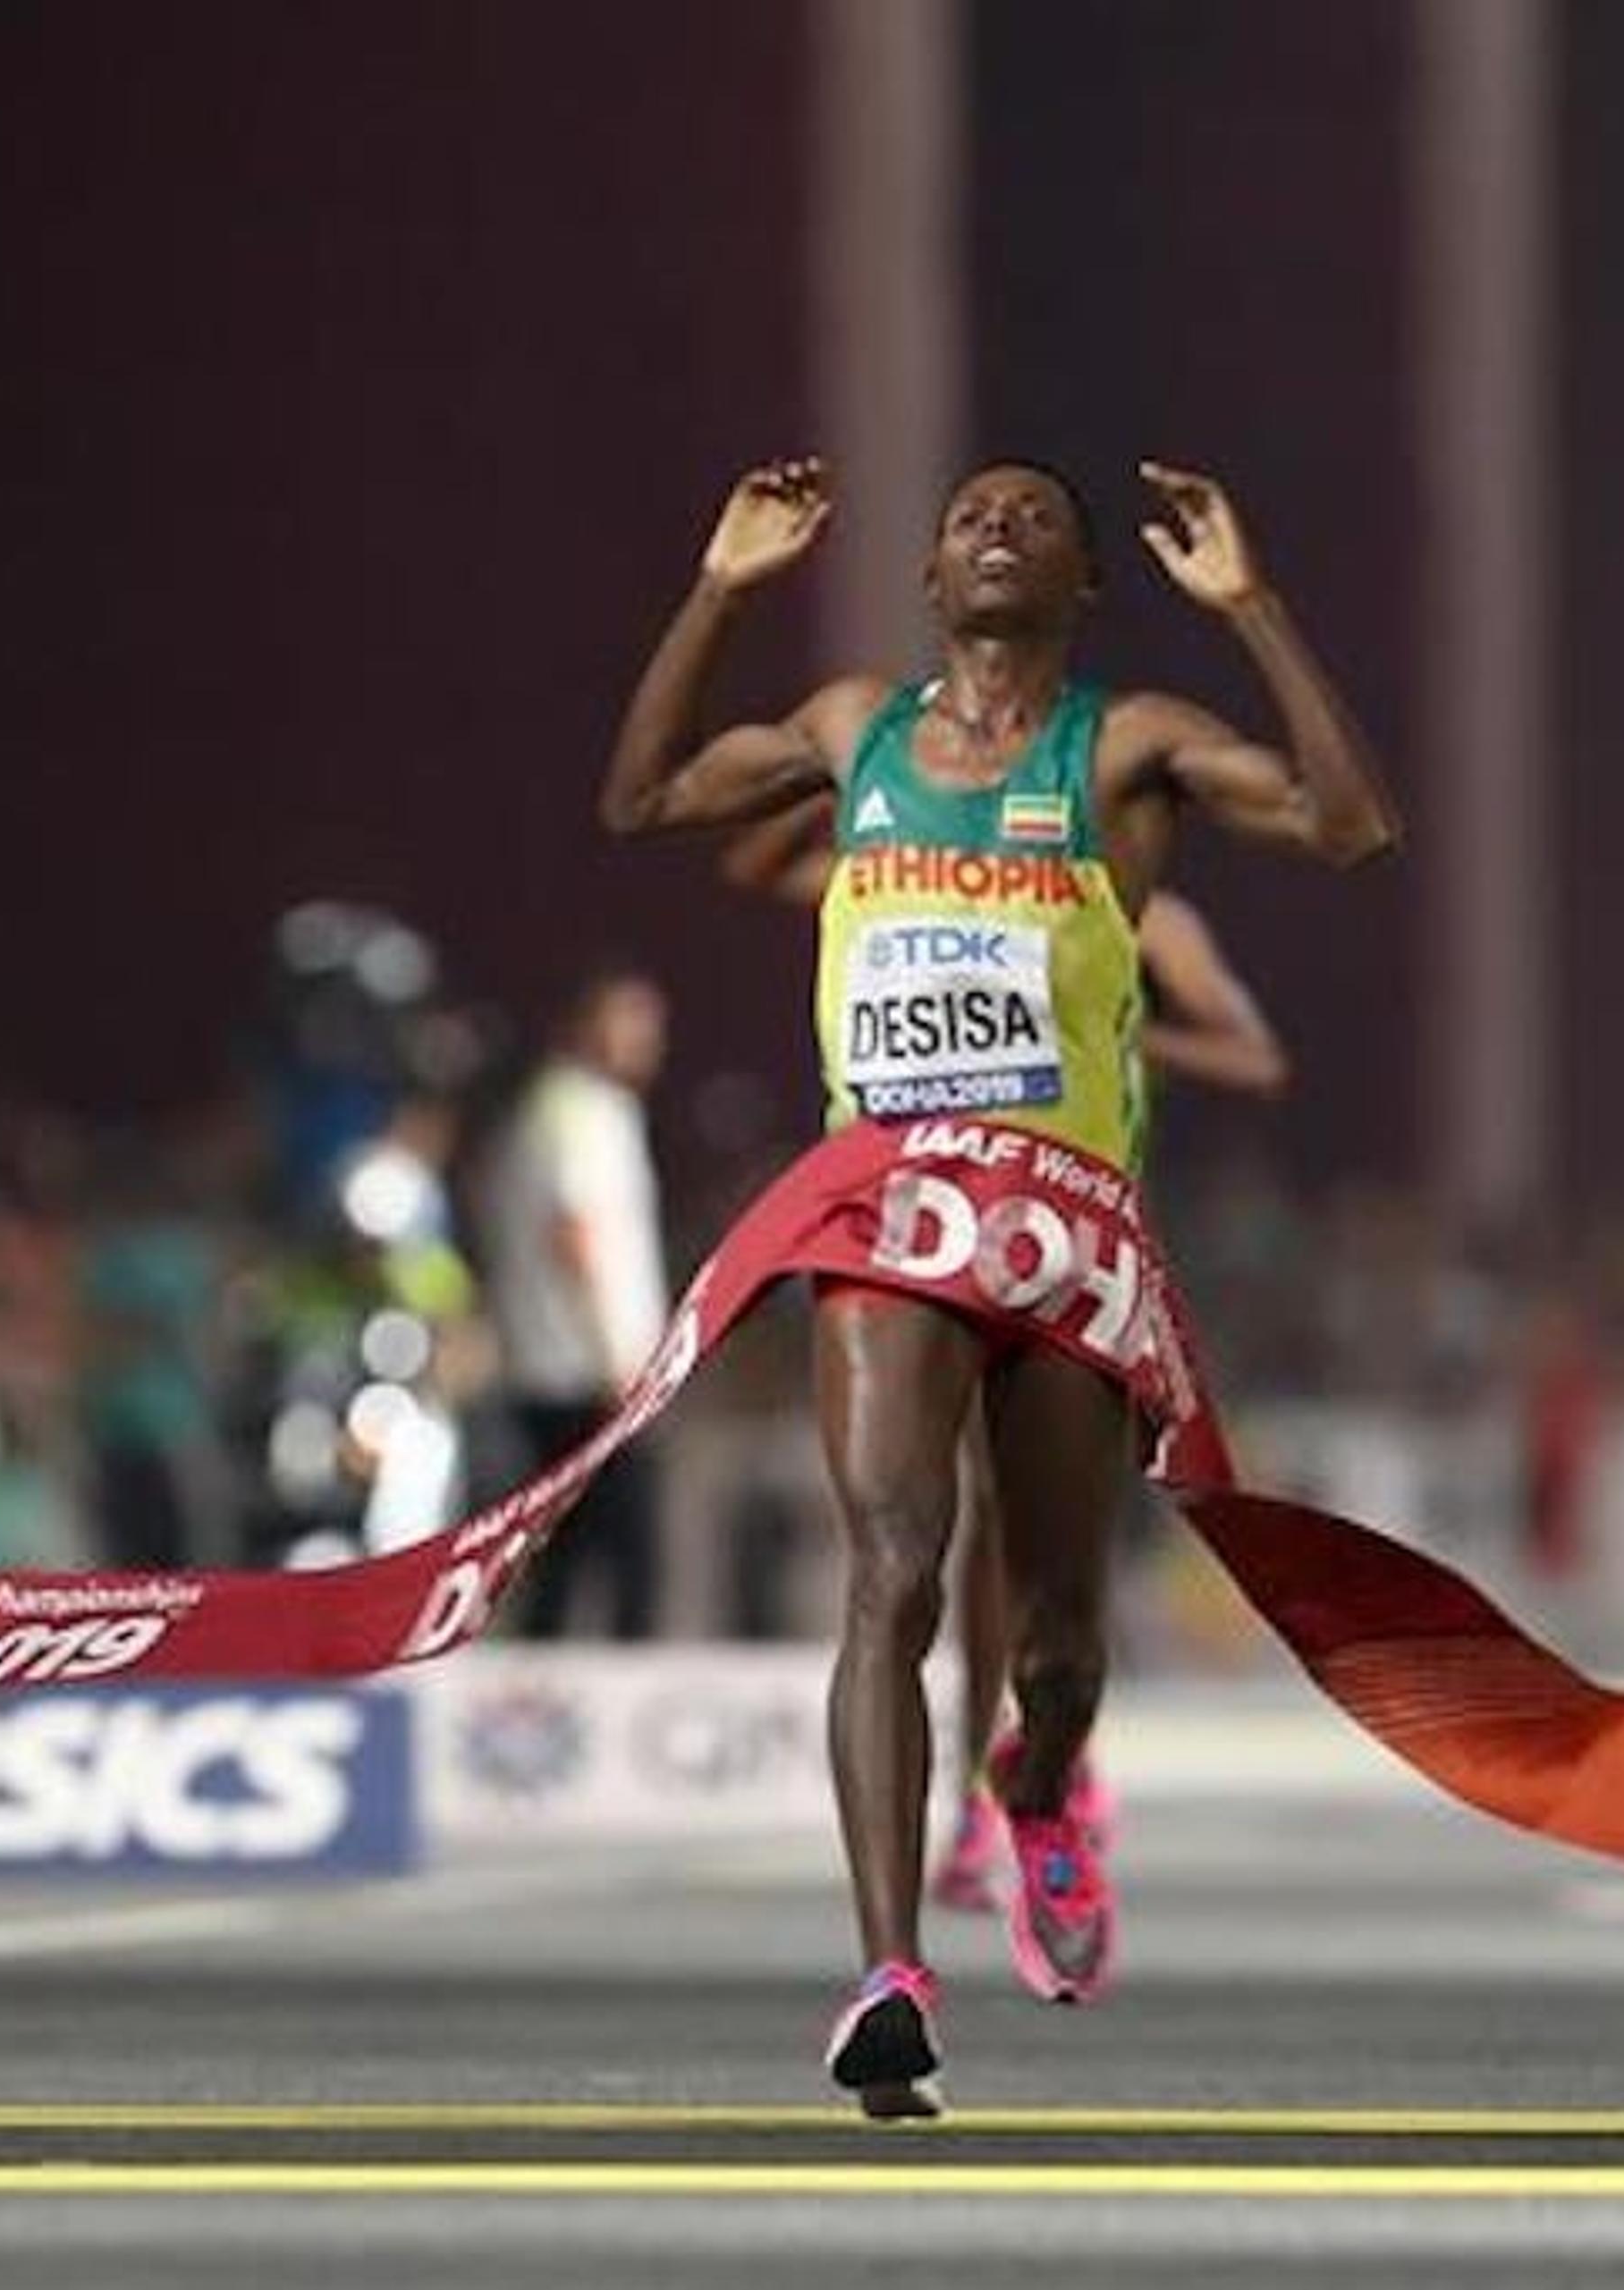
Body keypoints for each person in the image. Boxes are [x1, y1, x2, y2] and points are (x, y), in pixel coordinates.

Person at [600, 453, 1396, 2115]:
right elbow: (646, 799)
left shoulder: (1127, 748)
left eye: (1033, 516)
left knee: (1057, 1635)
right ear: (926, 580)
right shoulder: (849, 733)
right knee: (894, 1562)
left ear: (1085, 584)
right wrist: (720, 584)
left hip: (1064, 1234)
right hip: (889, 1215)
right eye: (968, 514)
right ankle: (889, 1970)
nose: (994, 527)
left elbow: (1349, 821)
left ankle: (1040, 1790)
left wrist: (1253, 608)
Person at [715, 810, 1289, 1909]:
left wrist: (1114, 1026)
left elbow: (1256, 1056)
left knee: (1046, 1549)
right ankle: (988, 1793)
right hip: (940, 1241)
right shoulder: (930, 881)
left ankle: (1041, 1760)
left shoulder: (1149, 917)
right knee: (961, 1528)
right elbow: (750, 855)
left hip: (1076, 1249)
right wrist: (851, 778)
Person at [479, 969, 674, 1636]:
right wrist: (619, 1359)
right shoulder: (584, 1111)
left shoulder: (544, 1108)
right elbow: (576, 1233)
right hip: (586, 1375)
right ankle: (629, 1717)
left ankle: (548, 1704)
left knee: (563, 1558)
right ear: (587, 1026)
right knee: (633, 1559)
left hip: (551, 1368)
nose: (647, 1040)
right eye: (630, 1021)